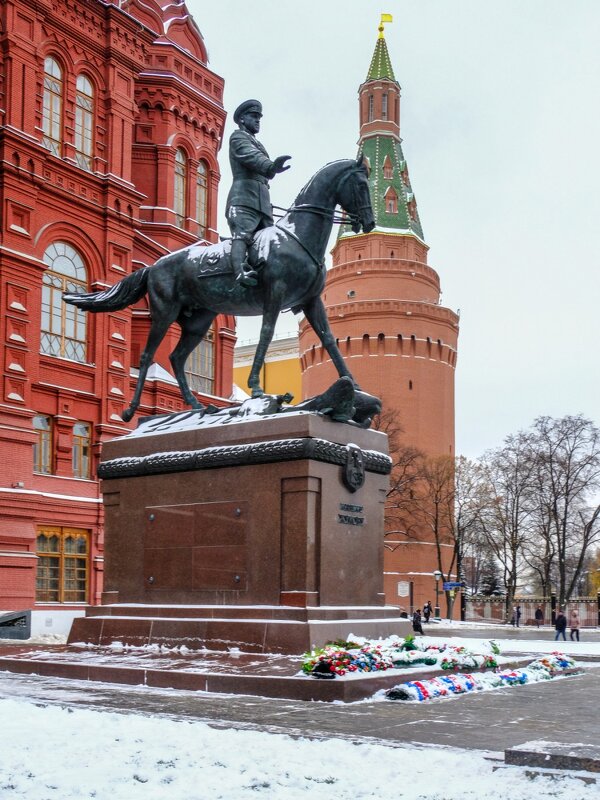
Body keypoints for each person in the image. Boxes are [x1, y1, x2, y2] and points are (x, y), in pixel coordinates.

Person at [225, 99, 291, 287]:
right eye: (254, 117)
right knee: (243, 235)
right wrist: (270, 166)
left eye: (259, 118)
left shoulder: (257, 142)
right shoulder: (238, 137)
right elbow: (249, 156)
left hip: (262, 201)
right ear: (242, 119)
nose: (257, 121)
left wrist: (271, 168)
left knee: (271, 240)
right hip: (244, 198)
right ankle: (240, 273)